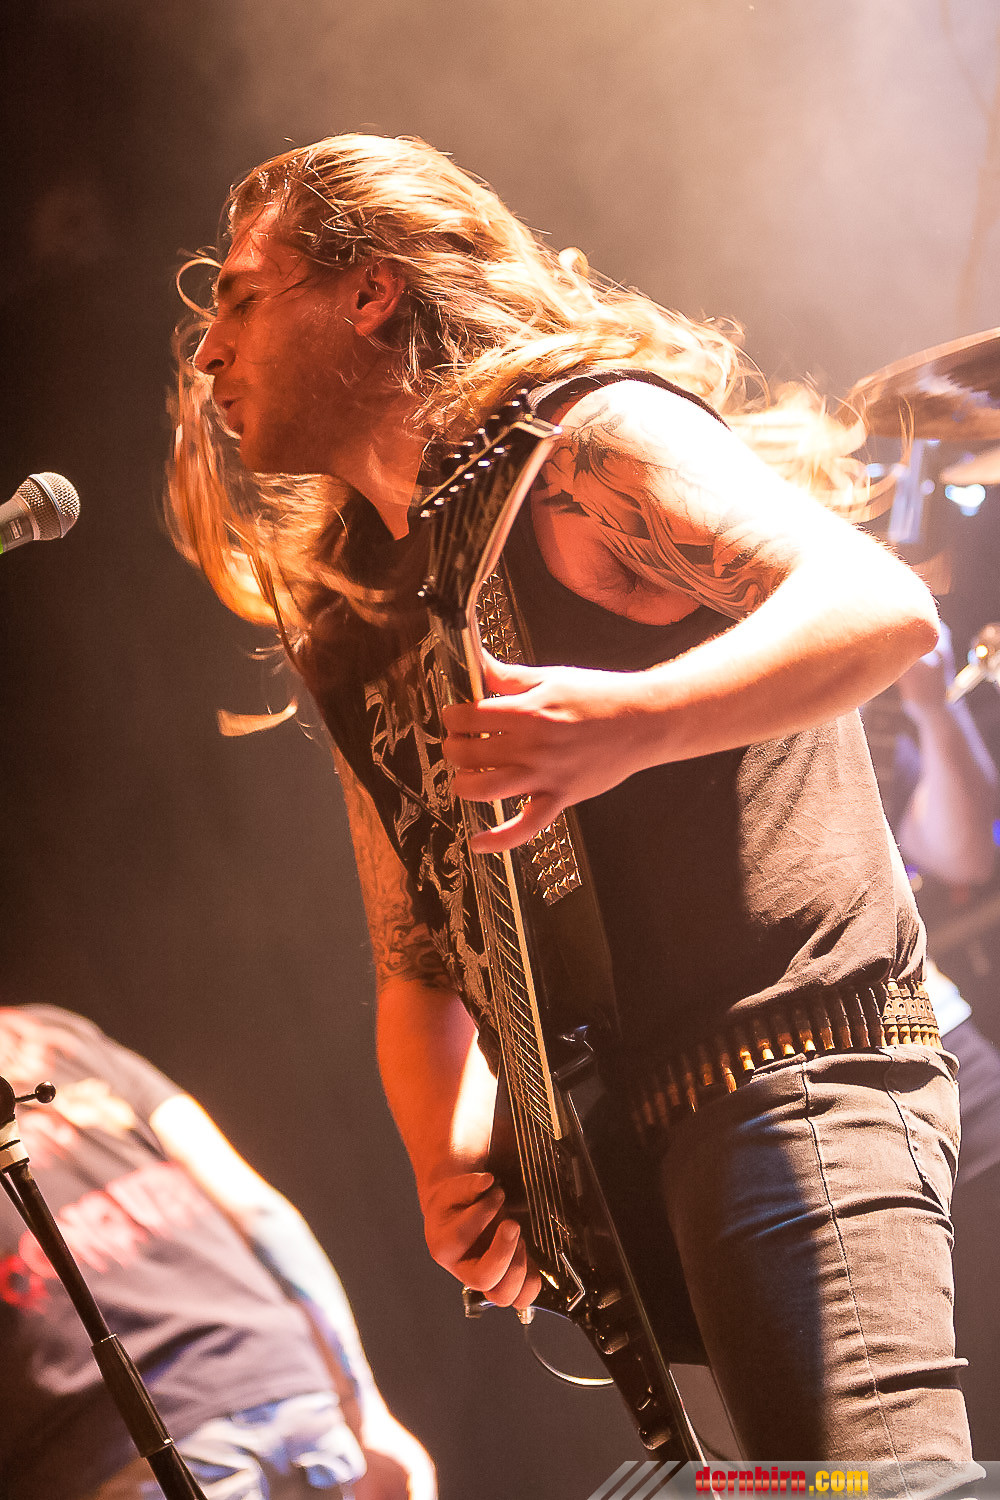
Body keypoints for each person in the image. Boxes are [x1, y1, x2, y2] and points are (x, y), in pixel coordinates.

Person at [166, 133, 975, 1479]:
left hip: (793, 1074)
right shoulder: (360, 618)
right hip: (629, 1164)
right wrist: (447, 1162)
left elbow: (877, 607)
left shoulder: (582, 444)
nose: (208, 353)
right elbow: (419, 946)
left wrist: (630, 724)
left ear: (369, 288)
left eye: (241, 297)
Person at [0, 1004, 435, 1500]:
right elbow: (258, 1211)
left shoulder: (55, 1032)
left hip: (125, 1445)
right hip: (286, 1388)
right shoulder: (50, 1031)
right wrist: (363, 1407)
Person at [865, 626, 1000, 1451]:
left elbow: (965, 854)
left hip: (943, 1049)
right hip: (809, 1090)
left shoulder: (846, 696)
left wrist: (928, 703)